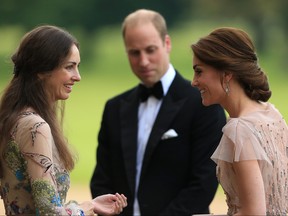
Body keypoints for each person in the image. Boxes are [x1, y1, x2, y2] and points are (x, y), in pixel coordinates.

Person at [90, 9, 226, 216]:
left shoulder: (204, 103)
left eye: (150, 50)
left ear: (167, 43)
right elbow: (101, 180)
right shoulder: (114, 107)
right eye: (134, 52)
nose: (143, 61)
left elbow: (204, 182)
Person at [0, 25, 127, 215]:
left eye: (78, 66)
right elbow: (50, 213)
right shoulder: (35, 126)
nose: (78, 77)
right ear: (42, 70)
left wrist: (89, 203)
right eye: (69, 67)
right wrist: (88, 207)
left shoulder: (14, 118)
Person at [191, 27, 288, 215]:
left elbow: (254, 213)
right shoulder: (271, 113)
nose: (194, 82)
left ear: (227, 74)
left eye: (199, 72)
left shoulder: (239, 129)